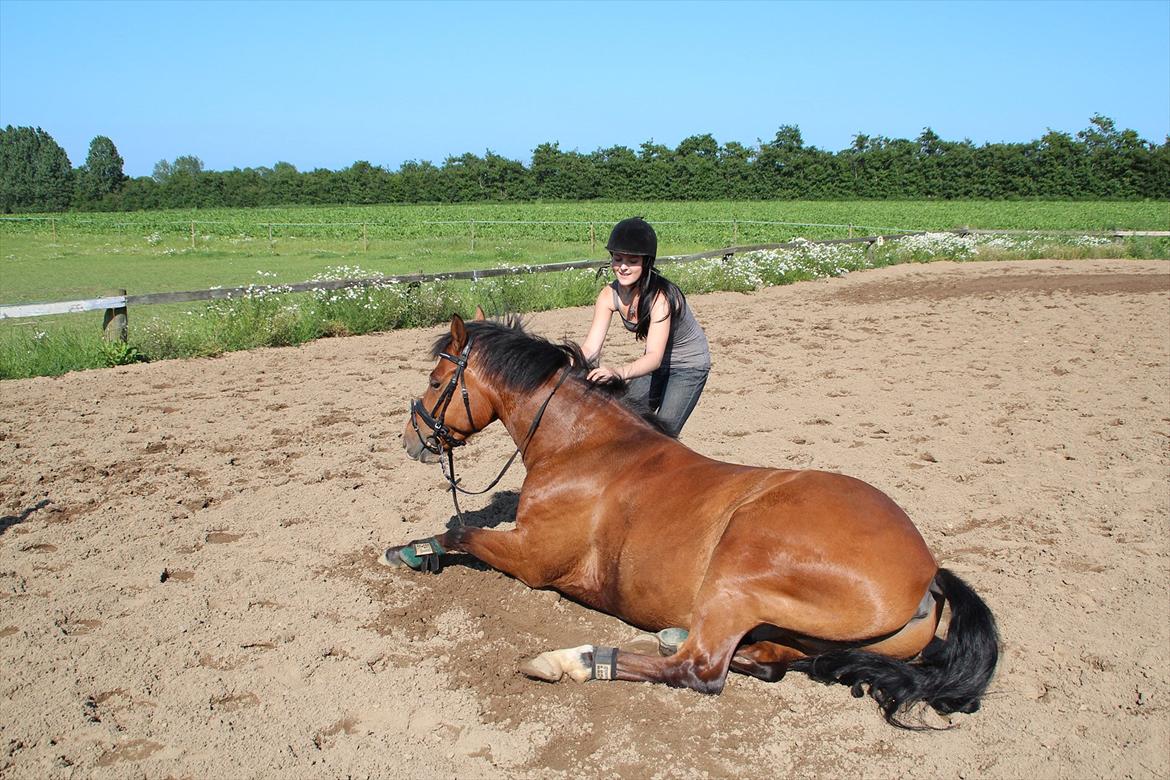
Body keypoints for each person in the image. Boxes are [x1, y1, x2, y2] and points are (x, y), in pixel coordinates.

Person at [581, 217, 711, 438]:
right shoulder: (608, 295)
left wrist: (617, 373)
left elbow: (653, 358)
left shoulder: (660, 298)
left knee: (661, 436)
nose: (622, 267)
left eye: (632, 261)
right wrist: (565, 367)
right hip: (652, 365)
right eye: (617, 259)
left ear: (646, 262)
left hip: (688, 365)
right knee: (625, 420)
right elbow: (591, 348)